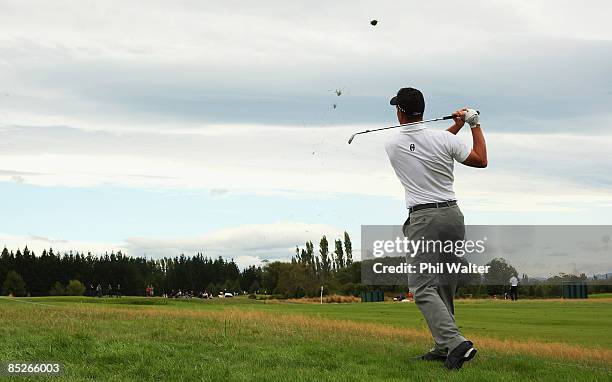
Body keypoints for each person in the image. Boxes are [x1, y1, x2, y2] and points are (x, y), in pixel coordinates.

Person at [385, 87, 487, 370]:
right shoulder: (442, 139)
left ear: (400, 112)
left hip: (424, 219)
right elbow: (480, 159)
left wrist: (456, 126)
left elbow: (430, 147)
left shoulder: (392, 144)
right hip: (453, 217)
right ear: (423, 110)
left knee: (421, 287)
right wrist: (473, 124)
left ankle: (456, 343)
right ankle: (444, 347)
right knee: (443, 284)